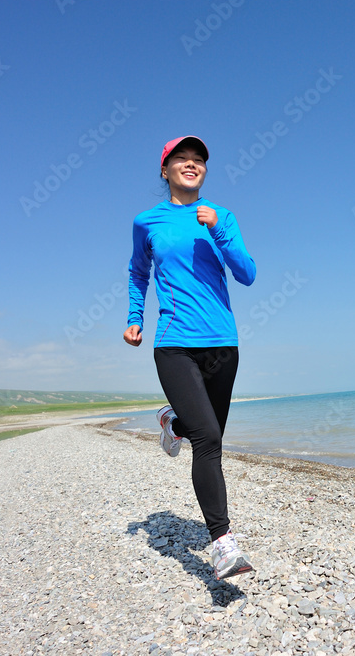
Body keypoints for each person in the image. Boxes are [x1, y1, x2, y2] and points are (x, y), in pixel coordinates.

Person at [123, 135, 257, 580]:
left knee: (207, 431)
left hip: (222, 343)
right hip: (174, 343)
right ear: (165, 171)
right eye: (181, 158)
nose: (191, 163)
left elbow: (248, 274)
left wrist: (218, 228)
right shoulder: (148, 221)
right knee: (210, 441)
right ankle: (223, 544)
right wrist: (134, 316)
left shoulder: (221, 217)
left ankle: (171, 423)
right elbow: (138, 271)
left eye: (198, 159)